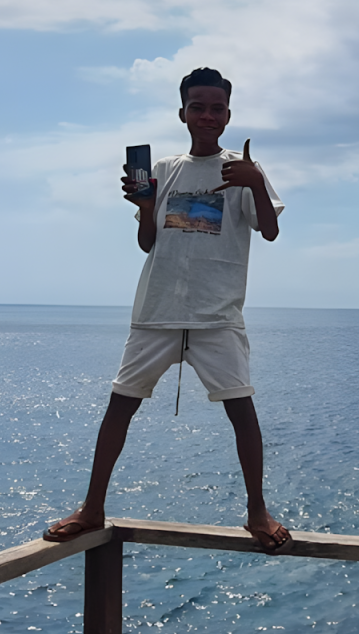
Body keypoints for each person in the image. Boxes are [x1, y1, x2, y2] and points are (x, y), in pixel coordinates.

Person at [44, 67, 292, 552]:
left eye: (216, 108)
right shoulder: (163, 170)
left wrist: (256, 181)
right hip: (157, 310)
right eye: (197, 106)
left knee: (242, 410)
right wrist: (143, 207)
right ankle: (92, 508)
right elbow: (147, 243)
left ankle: (257, 512)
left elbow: (270, 230)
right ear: (182, 113)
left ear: (228, 114)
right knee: (120, 405)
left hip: (216, 315)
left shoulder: (242, 170)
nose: (207, 115)